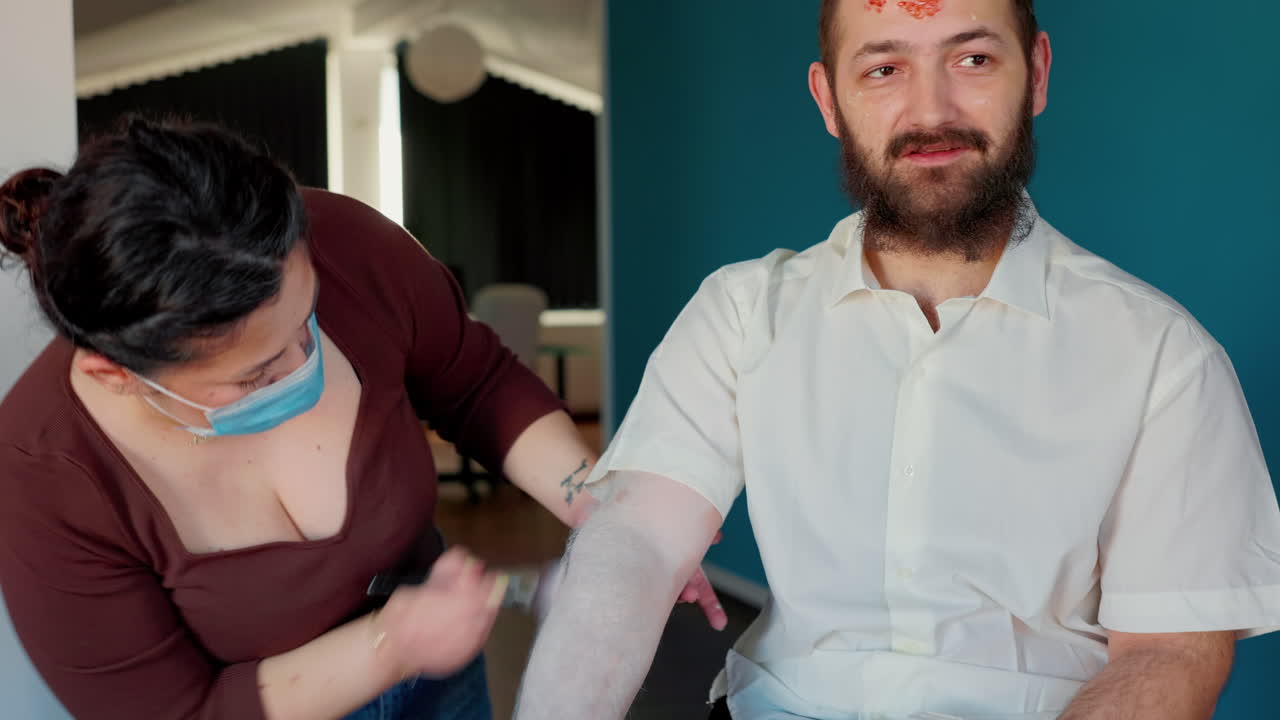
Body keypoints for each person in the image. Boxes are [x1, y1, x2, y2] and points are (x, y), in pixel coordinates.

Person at [511, 1, 1280, 718]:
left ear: (1036, 74)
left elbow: (1171, 652)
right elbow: (635, 542)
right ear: (828, 100)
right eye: (884, 69)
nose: (931, 111)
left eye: (973, 59)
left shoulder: (1163, 358)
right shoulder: (743, 312)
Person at [0, 117, 724, 720]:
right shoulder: (42, 474)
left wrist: (608, 517)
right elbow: (174, 713)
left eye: (307, 316)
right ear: (114, 374)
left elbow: (475, 380)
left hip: (443, 687)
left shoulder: (346, 243)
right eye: (258, 372)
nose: (306, 361)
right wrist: (391, 646)